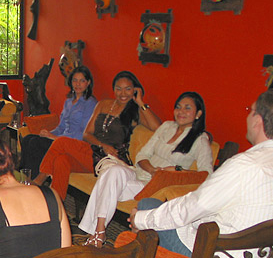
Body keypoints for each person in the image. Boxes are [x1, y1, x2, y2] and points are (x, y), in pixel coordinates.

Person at [130, 89, 273, 258]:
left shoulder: (245, 165)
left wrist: (141, 220)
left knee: (147, 206)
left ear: (258, 120)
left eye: (251, 111)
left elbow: (195, 205)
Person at [80, 92, 213, 247]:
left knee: (107, 181)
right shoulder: (166, 127)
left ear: (198, 114)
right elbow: (143, 154)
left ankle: (96, 234)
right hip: (138, 174)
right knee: (113, 171)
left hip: (153, 187)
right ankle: (99, 231)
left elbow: (206, 174)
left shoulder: (200, 139)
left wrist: (176, 170)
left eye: (187, 108)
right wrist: (152, 170)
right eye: (178, 107)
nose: (181, 112)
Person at [34, 70, 162, 200]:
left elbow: (158, 128)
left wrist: (140, 102)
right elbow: (87, 134)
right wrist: (102, 145)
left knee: (61, 142)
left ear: (135, 90)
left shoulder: (136, 112)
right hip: (92, 152)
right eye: (118, 89)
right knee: (62, 160)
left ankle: (39, 180)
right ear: (114, 89)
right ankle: (55, 206)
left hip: (110, 159)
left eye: (128, 89)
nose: (123, 93)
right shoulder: (103, 104)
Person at [20, 65, 97, 179]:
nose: (78, 84)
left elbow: (83, 133)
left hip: (73, 144)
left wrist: (55, 138)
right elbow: (61, 127)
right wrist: (48, 133)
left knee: (35, 143)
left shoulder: (90, 103)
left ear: (88, 83)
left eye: (82, 81)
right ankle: (23, 176)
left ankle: (33, 183)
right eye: (75, 80)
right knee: (28, 139)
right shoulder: (68, 101)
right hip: (59, 139)